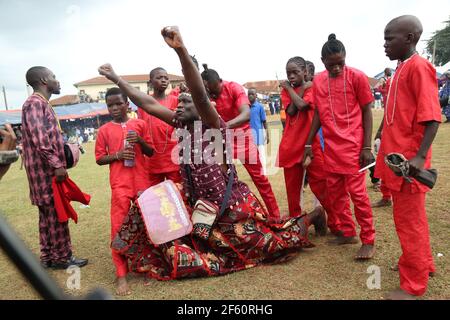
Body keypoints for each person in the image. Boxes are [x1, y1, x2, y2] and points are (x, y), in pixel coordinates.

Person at [97, 26, 326, 283]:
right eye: (179, 103)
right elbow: (147, 103)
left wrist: (181, 51)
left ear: (200, 104)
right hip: (202, 206)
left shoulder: (212, 122)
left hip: (231, 206)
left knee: (271, 245)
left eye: (186, 103)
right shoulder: (182, 123)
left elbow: (199, 94)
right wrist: (117, 78)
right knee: (197, 251)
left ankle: (315, 216)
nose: (179, 106)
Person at [374, 15, 441, 300]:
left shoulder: (419, 67)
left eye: (390, 38)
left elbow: (433, 118)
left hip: (409, 164)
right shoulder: (401, 68)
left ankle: (413, 286)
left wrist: (419, 156)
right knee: (414, 221)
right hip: (396, 160)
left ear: (410, 38)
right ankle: (423, 264)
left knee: (409, 223)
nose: (385, 44)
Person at [303, 34, 376, 260]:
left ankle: (368, 240)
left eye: (340, 63)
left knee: (358, 195)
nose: (336, 68)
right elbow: (318, 114)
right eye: (331, 64)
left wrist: (366, 147)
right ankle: (347, 232)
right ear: (322, 61)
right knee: (336, 195)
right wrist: (308, 142)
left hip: (353, 147)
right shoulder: (318, 81)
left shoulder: (357, 77)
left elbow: (367, 111)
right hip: (331, 148)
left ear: (345, 59)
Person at [21, 66, 88, 270]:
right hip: (46, 172)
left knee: (47, 216)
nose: (57, 80)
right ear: (43, 80)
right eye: (53, 77)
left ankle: (49, 256)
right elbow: (40, 139)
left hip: (45, 170)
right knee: (57, 213)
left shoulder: (41, 104)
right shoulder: (34, 103)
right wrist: (57, 165)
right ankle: (62, 257)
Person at [95, 87, 154, 296]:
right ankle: (121, 273)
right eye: (110, 105)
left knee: (147, 226)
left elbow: (151, 151)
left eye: (118, 103)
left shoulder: (140, 124)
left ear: (127, 104)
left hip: (142, 182)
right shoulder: (104, 131)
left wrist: (140, 140)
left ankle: (147, 266)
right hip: (120, 184)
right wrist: (118, 154)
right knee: (118, 227)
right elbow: (100, 158)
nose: (114, 108)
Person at [200, 66, 281, 219]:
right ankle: (227, 218)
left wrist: (225, 126)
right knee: (219, 181)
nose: (212, 93)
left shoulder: (234, 88)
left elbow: (246, 114)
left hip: (242, 137)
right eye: (207, 90)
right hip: (221, 140)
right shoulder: (207, 95)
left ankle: (275, 216)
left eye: (213, 88)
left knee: (259, 178)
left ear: (219, 81)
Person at [276, 56, 329, 223]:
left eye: (295, 72)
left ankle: (336, 222)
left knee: (321, 187)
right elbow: (292, 110)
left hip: (310, 144)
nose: (291, 76)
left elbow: (303, 106)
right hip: (291, 146)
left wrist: (294, 89)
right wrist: (295, 89)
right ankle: (296, 226)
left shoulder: (313, 88)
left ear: (305, 72)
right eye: (288, 73)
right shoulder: (288, 91)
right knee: (293, 192)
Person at [139, 67, 182, 186]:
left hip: (173, 158)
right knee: (154, 198)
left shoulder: (176, 101)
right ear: (150, 82)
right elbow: (141, 129)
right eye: (159, 78)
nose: (163, 80)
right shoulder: (144, 104)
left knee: (177, 194)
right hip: (152, 160)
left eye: (166, 78)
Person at [248, 88, 269, 175]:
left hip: (259, 133)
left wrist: (267, 134)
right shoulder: (246, 107)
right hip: (248, 134)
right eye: (249, 94)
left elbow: (264, 121)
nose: (250, 96)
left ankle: (263, 171)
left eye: (252, 94)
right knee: (252, 156)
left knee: (261, 154)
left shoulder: (260, 106)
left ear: (256, 95)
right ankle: (255, 173)